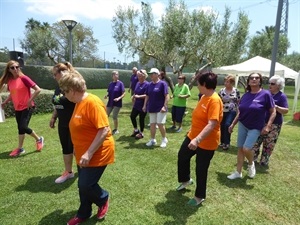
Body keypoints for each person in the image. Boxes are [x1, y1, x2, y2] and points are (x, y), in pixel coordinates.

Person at [59, 71, 115, 225]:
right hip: (83, 152)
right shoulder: (78, 103)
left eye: (64, 91)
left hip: (97, 152)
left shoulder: (93, 102)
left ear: (72, 90)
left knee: (85, 184)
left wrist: (88, 153)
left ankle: (103, 198)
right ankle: (83, 213)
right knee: (82, 185)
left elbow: (104, 130)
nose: (64, 95)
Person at [176, 72, 223, 206]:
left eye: (199, 83)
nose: (197, 85)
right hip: (192, 135)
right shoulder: (203, 97)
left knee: (201, 168)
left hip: (206, 141)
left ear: (204, 85)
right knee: (182, 156)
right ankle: (185, 180)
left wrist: (197, 140)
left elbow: (212, 123)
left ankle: (199, 196)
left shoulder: (214, 100)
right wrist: (192, 134)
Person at [227, 73, 276, 180]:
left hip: (255, 127)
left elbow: (273, 112)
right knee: (240, 149)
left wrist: (268, 126)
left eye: (257, 78)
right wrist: (233, 124)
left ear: (260, 81)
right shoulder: (246, 95)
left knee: (246, 148)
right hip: (243, 124)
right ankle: (238, 172)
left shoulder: (266, 94)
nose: (254, 79)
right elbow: (240, 112)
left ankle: (250, 163)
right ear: (248, 81)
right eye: (252, 78)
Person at [0, 60, 44, 157]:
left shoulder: (24, 78)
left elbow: (38, 89)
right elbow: (12, 94)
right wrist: (5, 102)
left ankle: (38, 139)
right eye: (12, 67)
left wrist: (29, 100)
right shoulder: (10, 82)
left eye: (17, 67)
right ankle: (20, 149)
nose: (15, 69)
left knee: (23, 127)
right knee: (20, 129)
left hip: (27, 107)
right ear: (9, 70)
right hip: (18, 108)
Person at [252, 75, 289, 166]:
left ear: (278, 85)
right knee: (256, 140)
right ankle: (252, 158)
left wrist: (275, 106)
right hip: (261, 121)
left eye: (272, 84)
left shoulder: (282, 96)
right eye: (269, 83)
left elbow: (286, 111)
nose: (270, 85)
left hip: (275, 124)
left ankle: (264, 161)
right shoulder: (265, 93)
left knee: (269, 143)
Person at [50, 62, 76, 184]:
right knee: (66, 148)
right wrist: (54, 117)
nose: (54, 77)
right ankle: (68, 172)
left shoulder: (72, 86)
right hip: (63, 123)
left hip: (74, 123)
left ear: (62, 73)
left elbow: (80, 103)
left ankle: (85, 170)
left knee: (76, 148)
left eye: (55, 74)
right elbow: (58, 104)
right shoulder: (57, 87)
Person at [143, 68, 169, 148]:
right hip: (152, 107)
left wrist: (164, 106)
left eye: (152, 73)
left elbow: (167, 96)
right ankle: (153, 139)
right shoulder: (149, 84)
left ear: (157, 74)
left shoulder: (162, 84)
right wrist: (144, 105)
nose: (151, 75)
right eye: (150, 73)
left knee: (160, 124)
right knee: (152, 124)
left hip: (161, 108)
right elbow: (147, 96)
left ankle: (164, 139)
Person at [218, 75, 240, 150]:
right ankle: (222, 142)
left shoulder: (236, 91)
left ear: (232, 83)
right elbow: (218, 100)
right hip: (222, 110)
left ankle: (227, 143)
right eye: (225, 81)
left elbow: (238, 101)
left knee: (227, 125)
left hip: (232, 111)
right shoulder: (221, 90)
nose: (225, 83)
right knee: (222, 126)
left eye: (227, 82)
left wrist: (238, 111)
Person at [130, 69, 149, 139]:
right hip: (136, 104)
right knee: (132, 116)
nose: (138, 75)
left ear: (144, 76)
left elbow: (147, 95)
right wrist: (133, 96)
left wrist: (139, 96)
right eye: (138, 75)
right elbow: (135, 92)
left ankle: (141, 133)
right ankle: (136, 130)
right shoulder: (138, 83)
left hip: (144, 105)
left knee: (141, 119)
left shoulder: (147, 84)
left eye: (141, 74)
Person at [104, 70, 125, 135]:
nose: (116, 76)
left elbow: (124, 93)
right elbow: (109, 92)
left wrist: (118, 98)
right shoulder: (110, 84)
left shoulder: (120, 83)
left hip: (117, 103)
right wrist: (106, 95)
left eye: (117, 74)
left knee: (114, 116)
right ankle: (106, 128)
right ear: (112, 76)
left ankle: (116, 129)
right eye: (115, 75)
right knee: (105, 115)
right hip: (110, 102)